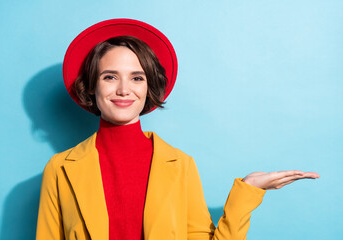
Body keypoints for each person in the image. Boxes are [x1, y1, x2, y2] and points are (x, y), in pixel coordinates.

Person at [36, 19, 319, 240]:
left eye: (137, 77)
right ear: (93, 85)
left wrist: (248, 193)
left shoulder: (180, 165)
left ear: (149, 88)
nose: (123, 89)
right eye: (109, 77)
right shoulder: (60, 169)